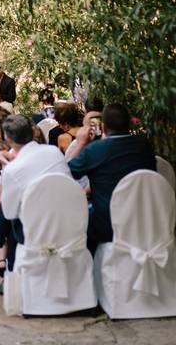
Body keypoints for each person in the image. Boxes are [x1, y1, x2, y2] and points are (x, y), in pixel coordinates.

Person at [0, 114, 72, 294]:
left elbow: (11, 213)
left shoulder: (13, 169)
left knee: (11, 219)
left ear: (8, 138)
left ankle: (6, 273)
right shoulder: (52, 152)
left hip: (38, 230)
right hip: (69, 219)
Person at [66, 103, 156, 251]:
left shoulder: (95, 150)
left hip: (109, 226)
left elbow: (67, 174)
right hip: (144, 220)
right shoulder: (145, 146)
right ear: (129, 124)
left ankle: (90, 267)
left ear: (103, 127)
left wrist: (81, 143)